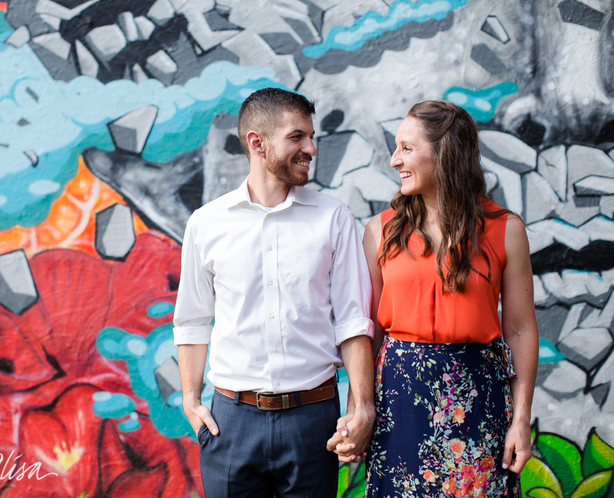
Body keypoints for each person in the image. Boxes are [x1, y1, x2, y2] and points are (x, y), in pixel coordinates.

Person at [172, 87, 376, 497]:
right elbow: (193, 318)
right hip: (231, 421)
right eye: (297, 137)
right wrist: (191, 400)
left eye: (312, 137)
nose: (311, 148)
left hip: (313, 420)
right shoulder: (207, 223)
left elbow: (353, 321)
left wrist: (362, 405)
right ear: (257, 143)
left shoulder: (334, 218)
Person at [337, 100, 538, 497]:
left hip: (479, 396)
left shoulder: (506, 229)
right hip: (399, 395)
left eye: (407, 148)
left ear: (446, 152)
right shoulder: (380, 231)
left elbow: (518, 328)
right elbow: (368, 331)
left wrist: (520, 418)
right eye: (396, 148)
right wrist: (357, 410)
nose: (395, 160)